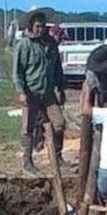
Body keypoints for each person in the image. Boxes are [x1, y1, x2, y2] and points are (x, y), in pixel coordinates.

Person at [12, 9, 66, 176]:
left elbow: (57, 68)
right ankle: (27, 161)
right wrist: (21, 92)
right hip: (31, 93)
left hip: (48, 93)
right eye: (37, 26)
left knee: (59, 124)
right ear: (31, 26)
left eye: (43, 26)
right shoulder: (24, 45)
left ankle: (57, 157)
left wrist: (61, 89)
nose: (40, 29)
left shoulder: (51, 44)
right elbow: (17, 72)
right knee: (28, 128)